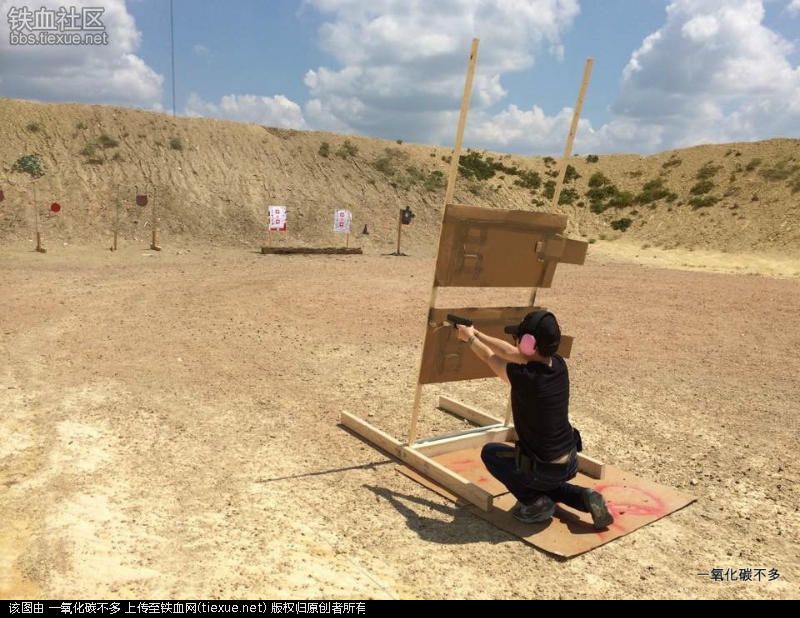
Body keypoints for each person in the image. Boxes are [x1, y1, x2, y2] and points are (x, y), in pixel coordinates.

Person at [455, 311, 613, 528]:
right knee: (548, 482)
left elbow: (490, 357)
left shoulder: (525, 378)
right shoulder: (558, 364)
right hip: (569, 460)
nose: (515, 342)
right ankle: (584, 497)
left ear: (530, 345)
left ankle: (536, 503)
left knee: (491, 454)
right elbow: (510, 351)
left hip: (544, 467)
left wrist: (469, 339)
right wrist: (478, 333)